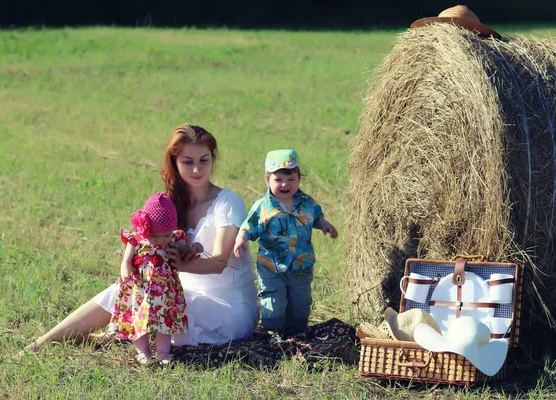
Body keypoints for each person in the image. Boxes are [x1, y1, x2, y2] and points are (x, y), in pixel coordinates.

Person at [28, 123, 259, 352]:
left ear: (213, 159)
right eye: (188, 162)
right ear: (174, 162)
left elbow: (219, 262)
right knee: (127, 287)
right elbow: (145, 242)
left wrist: (181, 263)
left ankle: (69, 340)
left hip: (228, 308)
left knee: (158, 298)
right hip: (179, 292)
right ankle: (46, 341)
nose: (197, 169)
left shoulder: (228, 202)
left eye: (204, 160)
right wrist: (134, 258)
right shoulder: (169, 204)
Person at [233, 149, 338, 339]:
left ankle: (297, 332)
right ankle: (273, 332)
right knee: (273, 300)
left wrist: (325, 225)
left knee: (300, 300)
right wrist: (241, 239)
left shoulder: (307, 203)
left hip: (301, 263)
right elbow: (248, 227)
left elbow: (316, 218)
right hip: (271, 265)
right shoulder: (263, 207)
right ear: (267, 181)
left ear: (299, 179)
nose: (285, 184)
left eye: (291, 179)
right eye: (278, 179)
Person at [109, 192, 196, 365]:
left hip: (165, 291)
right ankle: (144, 352)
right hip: (140, 288)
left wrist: (194, 248)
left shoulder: (173, 237)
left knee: (164, 320)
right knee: (138, 320)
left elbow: (186, 248)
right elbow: (127, 259)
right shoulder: (136, 240)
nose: (161, 240)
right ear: (145, 228)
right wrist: (125, 269)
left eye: (166, 235)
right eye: (155, 236)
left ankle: (164, 353)